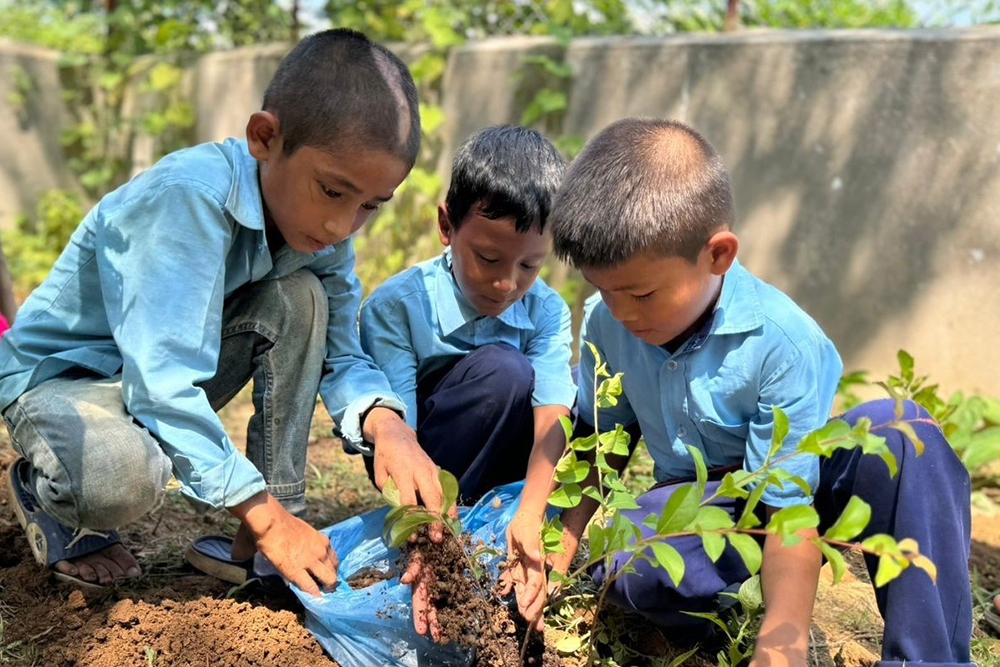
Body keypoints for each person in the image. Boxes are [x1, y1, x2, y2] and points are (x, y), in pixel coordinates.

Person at [509, 117, 973, 667]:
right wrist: (559, 554)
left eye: (641, 294)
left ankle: (929, 657)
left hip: (803, 489)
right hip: (708, 505)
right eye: (604, 293)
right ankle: (729, 604)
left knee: (904, 432)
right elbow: (595, 445)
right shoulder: (609, 327)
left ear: (718, 254)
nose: (623, 314)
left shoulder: (782, 341)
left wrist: (782, 643)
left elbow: (788, 511)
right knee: (631, 557)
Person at [0, 29, 445, 597]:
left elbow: (340, 348)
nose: (343, 225)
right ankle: (50, 492)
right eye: (333, 192)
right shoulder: (188, 198)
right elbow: (161, 381)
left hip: (150, 383)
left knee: (303, 297)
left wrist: (389, 426)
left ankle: (268, 527)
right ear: (265, 137)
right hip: (68, 381)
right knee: (117, 478)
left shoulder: (323, 233)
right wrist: (262, 517)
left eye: (370, 206)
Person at [359, 125, 575, 639]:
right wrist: (425, 538)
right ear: (446, 226)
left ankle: (496, 526)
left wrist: (532, 513)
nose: (506, 284)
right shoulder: (397, 307)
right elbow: (398, 436)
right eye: (488, 258)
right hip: (420, 456)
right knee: (503, 370)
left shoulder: (545, 309)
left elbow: (552, 418)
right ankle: (446, 536)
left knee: (571, 397)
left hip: (502, 464)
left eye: (530, 265)